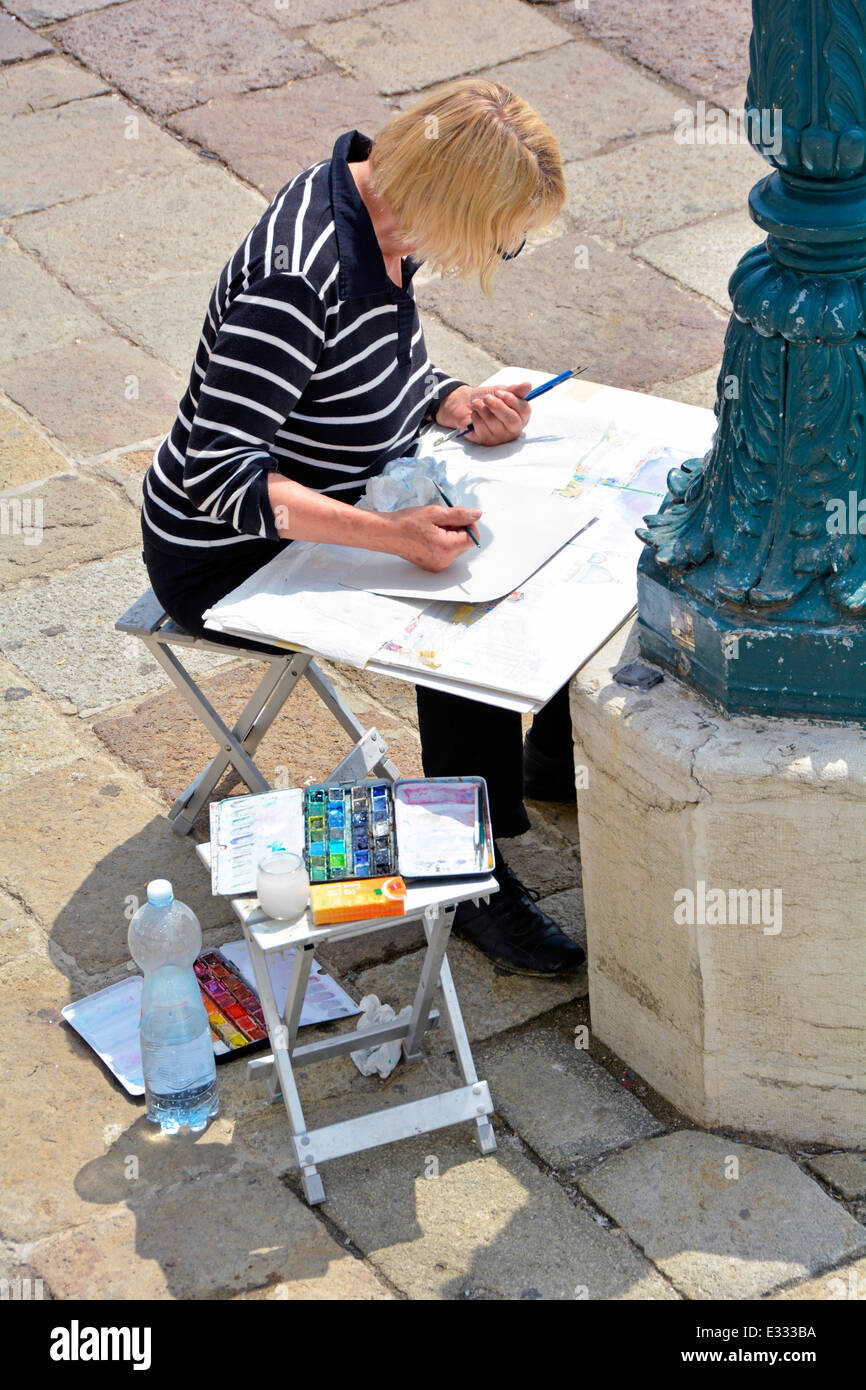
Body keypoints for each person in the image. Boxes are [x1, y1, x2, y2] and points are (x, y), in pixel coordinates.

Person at [141, 78, 583, 979]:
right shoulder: (297, 277)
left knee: (564, 545)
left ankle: (540, 764)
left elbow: (357, 369)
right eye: (504, 231)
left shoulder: (384, 204)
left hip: (330, 492)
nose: (502, 250)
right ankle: (475, 884)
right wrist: (395, 539)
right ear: (453, 200)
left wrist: (450, 398)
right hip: (227, 553)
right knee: (460, 621)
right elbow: (217, 476)